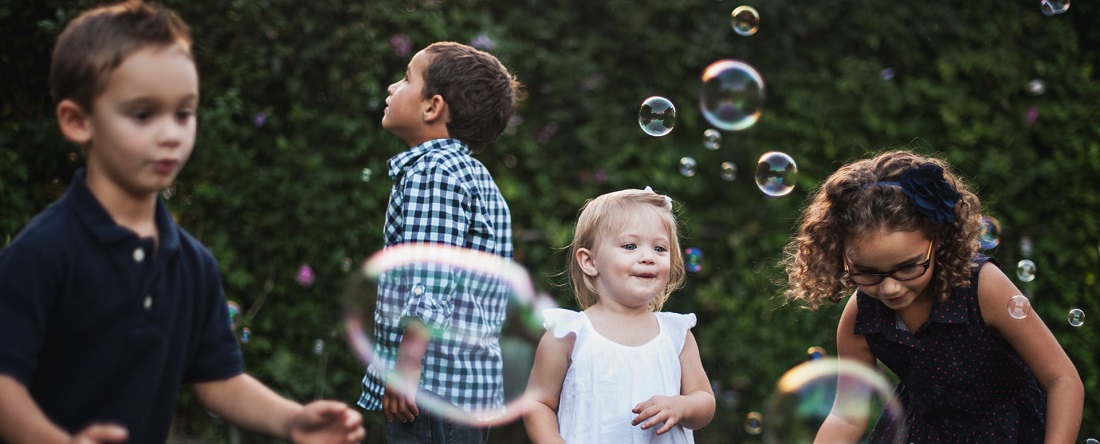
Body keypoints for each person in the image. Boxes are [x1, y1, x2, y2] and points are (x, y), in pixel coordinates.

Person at [0, 2, 365, 443]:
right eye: (142, 114)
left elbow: (220, 380)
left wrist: (292, 420)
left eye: (183, 113)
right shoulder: (43, 253)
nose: (171, 133)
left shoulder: (192, 264)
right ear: (78, 121)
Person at [780, 150, 1083, 442]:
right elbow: (847, 417)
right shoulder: (862, 316)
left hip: (1009, 432)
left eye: (908, 267)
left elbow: (1062, 380)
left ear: (938, 240)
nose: (890, 288)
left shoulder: (982, 287)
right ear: (840, 255)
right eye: (867, 272)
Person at [357, 41, 520, 443]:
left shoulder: (433, 171)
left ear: (433, 107)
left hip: (430, 388)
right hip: (463, 389)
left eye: (406, 78)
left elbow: (431, 278)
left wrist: (407, 367)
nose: (391, 88)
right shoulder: (475, 176)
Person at [524, 188, 716, 443]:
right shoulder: (568, 333)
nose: (648, 257)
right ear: (590, 261)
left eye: (659, 248)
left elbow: (704, 401)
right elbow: (538, 402)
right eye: (630, 246)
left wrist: (681, 406)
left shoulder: (676, 333)